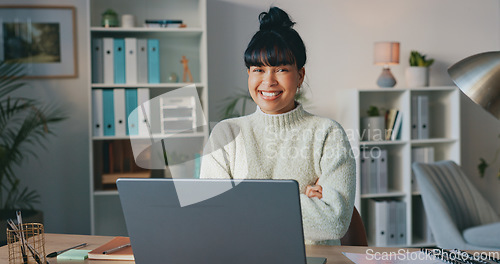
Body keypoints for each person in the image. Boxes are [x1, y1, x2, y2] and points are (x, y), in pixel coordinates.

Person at [200, 6, 356, 245]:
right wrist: (299, 199)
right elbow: (212, 216)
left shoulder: (327, 133)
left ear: (300, 76)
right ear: (249, 75)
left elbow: (334, 223)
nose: (268, 81)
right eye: (258, 70)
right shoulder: (226, 134)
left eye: (281, 69)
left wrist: (240, 199)